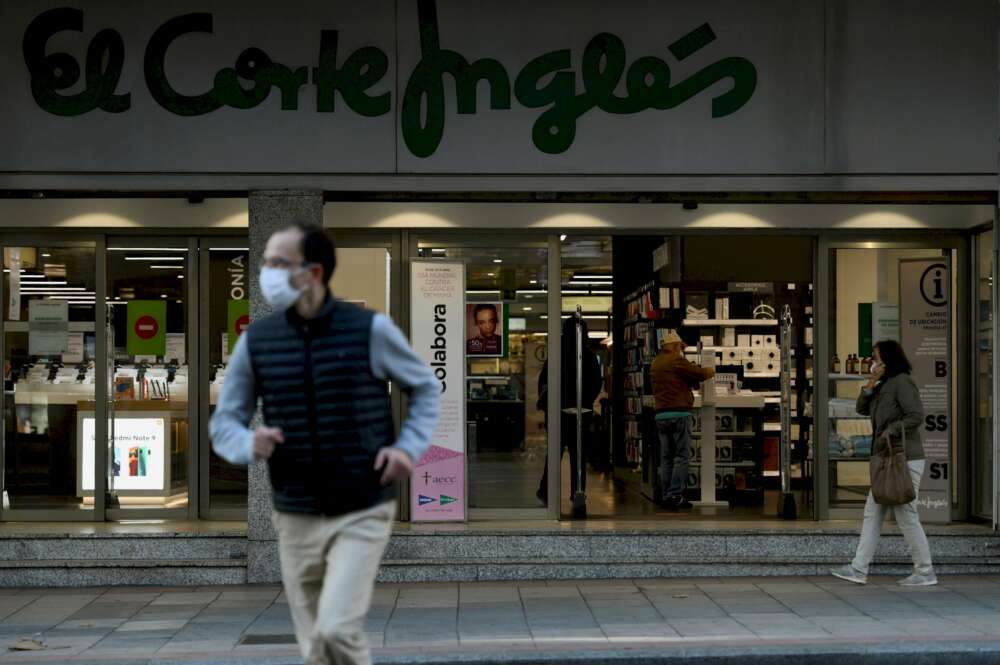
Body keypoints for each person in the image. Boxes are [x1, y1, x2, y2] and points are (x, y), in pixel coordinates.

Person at [209, 223, 440, 665]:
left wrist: (407, 448)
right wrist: (246, 442)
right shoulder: (257, 341)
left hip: (362, 504)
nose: (266, 273)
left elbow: (425, 388)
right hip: (294, 509)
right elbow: (226, 421)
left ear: (312, 272)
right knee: (316, 645)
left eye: (277, 263)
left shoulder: (370, 329)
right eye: (265, 263)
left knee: (336, 628)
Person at [831, 340, 936, 587]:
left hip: (904, 457)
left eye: (876, 357)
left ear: (889, 359)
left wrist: (892, 429)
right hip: (887, 458)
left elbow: (916, 415)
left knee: (906, 514)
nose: (872, 362)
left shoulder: (902, 382)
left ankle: (925, 570)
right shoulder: (882, 385)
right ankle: (858, 568)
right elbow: (860, 408)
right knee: (873, 512)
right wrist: (870, 383)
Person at [536, 316, 603, 504]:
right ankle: (577, 492)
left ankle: (546, 490)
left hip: (557, 412)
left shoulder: (557, 354)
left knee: (554, 454)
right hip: (580, 412)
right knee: (578, 455)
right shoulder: (588, 356)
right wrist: (586, 401)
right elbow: (596, 383)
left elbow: (544, 382)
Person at [649, 332, 715, 510]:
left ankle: (666, 495)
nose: (681, 350)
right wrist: (711, 370)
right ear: (674, 346)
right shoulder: (676, 360)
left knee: (666, 458)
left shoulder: (655, 363)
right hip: (679, 414)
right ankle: (675, 495)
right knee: (681, 456)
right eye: (680, 346)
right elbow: (699, 374)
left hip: (661, 415)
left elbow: (678, 379)